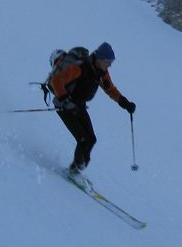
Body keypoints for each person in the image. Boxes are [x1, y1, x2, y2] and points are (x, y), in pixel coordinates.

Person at [49, 42, 136, 177]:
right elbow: (56, 81)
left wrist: (124, 103)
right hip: (65, 107)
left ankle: (78, 168)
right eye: (108, 61)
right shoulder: (80, 68)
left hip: (79, 106)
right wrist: (65, 101)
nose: (110, 65)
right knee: (83, 140)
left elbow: (110, 89)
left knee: (91, 139)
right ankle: (74, 172)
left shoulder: (101, 72)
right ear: (100, 58)